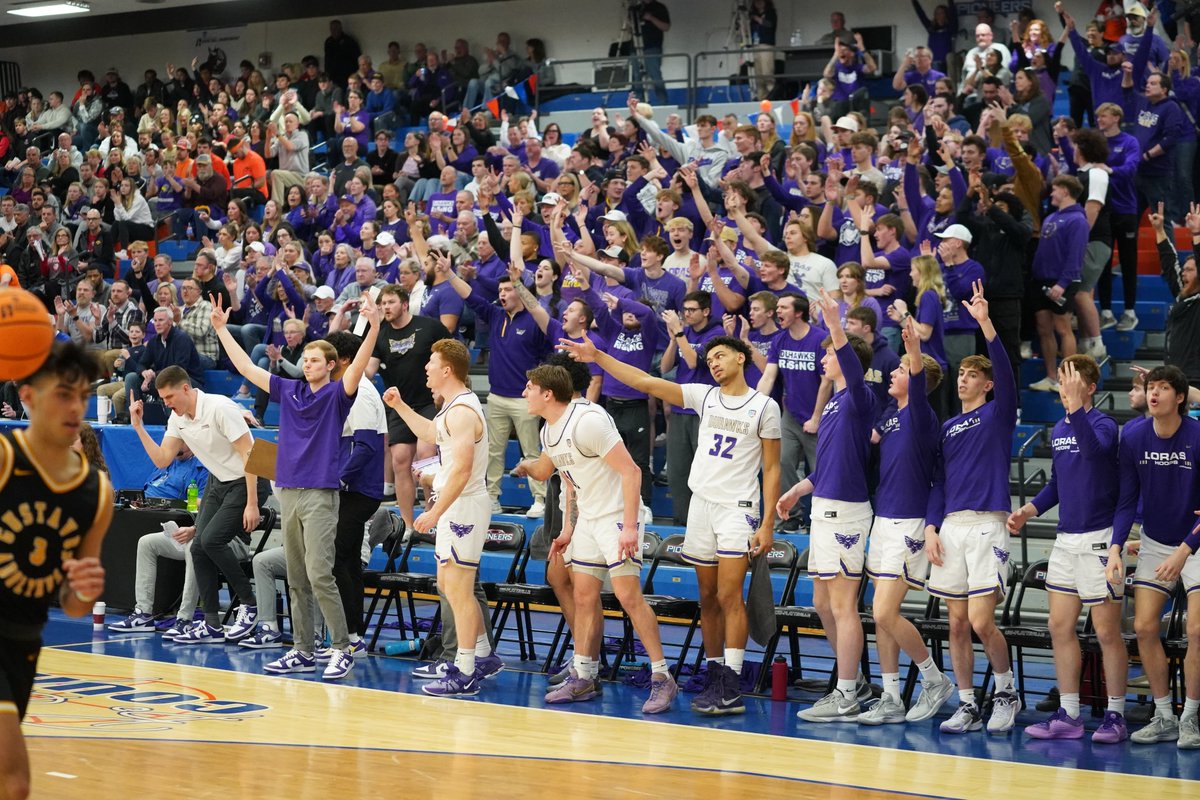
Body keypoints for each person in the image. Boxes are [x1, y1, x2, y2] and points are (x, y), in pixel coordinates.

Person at [561, 333, 781, 717]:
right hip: (702, 505)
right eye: (709, 358)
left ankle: (731, 682)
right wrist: (598, 356)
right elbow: (645, 382)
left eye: (721, 356)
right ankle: (715, 675)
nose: (713, 363)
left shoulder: (764, 406)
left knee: (731, 596)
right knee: (708, 598)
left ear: (742, 359)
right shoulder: (704, 396)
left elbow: (773, 467)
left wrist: (767, 523)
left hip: (737, 507)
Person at [213, 289, 381, 681]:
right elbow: (247, 370)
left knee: (320, 573)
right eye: (304, 360)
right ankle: (302, 650)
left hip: (321, 494)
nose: (307, 365)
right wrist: (223, 330)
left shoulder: (340, 395)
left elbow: (357, 367)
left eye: (315, 360)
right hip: (288, 490)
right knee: (297, 575)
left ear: (331, 365)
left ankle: (341, 648)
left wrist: (374, 326)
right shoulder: (289, 390)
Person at [522, 364, 678, 713]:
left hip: (616, 517)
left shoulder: (588, 420)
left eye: (529, 387)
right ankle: (585, 675)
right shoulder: (549, 430)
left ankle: (662, 678)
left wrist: (629, 527)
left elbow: (632, 471)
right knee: (583, 594)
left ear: (548, 393)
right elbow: (569, 483)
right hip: (588, 519)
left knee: (627, 595)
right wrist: (566, 529)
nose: (524, 393)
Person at [0, 343, 112, 800]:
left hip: (24, 642)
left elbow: (73, 605)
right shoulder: (5, 458)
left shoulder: (95, 492)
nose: (75, 407)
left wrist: (84, 590)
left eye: (82, 396)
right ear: (27, 396)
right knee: (14, 780)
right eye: (63, 394)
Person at [1006, 355, 1130, 743]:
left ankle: (1116, 715)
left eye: (1071, 382)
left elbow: (1094, 453)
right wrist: (1029, 509)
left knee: (1108, 632)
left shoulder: (1105, 423)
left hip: (1100, 537)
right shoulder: (1061, 426)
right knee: (1059, 626)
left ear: (1090, 387)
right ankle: (1070, 714)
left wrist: (1077, 409)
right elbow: (1058, 484)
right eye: (1061, 382)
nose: (1065, 389)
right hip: (1066, 538)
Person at [924, 280, 1020, 735]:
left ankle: (1006, 691)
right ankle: (966, 704)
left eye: (971, 375)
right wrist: (930, 527)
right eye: (959, 373)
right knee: (957, 625)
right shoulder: (947, 426)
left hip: (987, 524)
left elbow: (1004, 368)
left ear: (987, 384)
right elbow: (938, 482)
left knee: (983, 621)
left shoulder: (998, 414)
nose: (963, 379)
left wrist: (985, 324)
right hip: (951, 527)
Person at [382, 339, 501, 697]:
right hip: (455, 504)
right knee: (449, 586)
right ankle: (481, 655)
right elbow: (432, 435)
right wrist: (400, 406)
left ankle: (465, 671)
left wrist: (434, 510)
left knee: (460, 591)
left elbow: (463, 471)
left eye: (431, 364)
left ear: (447, 369)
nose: (426, 370)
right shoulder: (452, 407)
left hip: (463, 504)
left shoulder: (463, 410)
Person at [779, 290, 877, 723]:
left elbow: (850, 366)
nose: (823, 360)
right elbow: (832, 463)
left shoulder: (859, 397)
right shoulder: (836, 403)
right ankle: (851, 681)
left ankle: (846, 692)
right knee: (822, 602)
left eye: (829, 355)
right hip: (824, 505)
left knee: (842, 605)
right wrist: (799, 489)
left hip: (846, 512)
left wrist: (835, 323)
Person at [128, 365, 265, 645]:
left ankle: (250, 605)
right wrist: (138, 427)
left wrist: (252, 503)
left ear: (186, 389)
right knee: (199, 547)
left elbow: (251, 454)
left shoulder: (219, 408)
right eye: (163, 399)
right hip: (219, 480)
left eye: (169, 397)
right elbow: (162, 460)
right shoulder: (177, 419)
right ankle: (212, 625)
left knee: (211, 541)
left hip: (247, 478)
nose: (166, 404)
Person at [1108, 364, 1200, 748]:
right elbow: (1126, 498)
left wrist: (1184, 551)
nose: (1154, 393)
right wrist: (1115, 547)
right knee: (1144, 627)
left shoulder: (1198, 434)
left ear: (1180, 398)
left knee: (1196, 630)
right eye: (1151, 387)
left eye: (1163, 388)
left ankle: (1191, 718)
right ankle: (1164, 715)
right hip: (1156, 541)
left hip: (1194, 543)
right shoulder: (1132, 436)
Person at [367, 284, 452, 530]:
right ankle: (406, 524)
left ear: (404, 304)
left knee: (426, 457)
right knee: (400, 460)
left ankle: (431, 514)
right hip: (400, 405)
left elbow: (454, 355)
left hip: (429, 402)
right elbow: (369, 371)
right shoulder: (381, 333)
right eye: (383, 303)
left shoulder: (429, 326)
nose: (386, 307)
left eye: (391, 302)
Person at [323, 331, 387, 656]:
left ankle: (348, 637)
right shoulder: (349, 389)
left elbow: (364, 446)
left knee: (336, 561)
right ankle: (355, 636)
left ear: (344, 360)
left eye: (329, 357)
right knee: (347, 563)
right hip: (355, 489)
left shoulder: (360, 391)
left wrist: (336, 478)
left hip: (358, 490)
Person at [106, 444, 211, 638]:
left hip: (196, 533)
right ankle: (143, 613)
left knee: (193, 547)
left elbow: (207, 504)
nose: (173, 445)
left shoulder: (203, 468)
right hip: (163, 524)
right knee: (146, 542)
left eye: (179, 441)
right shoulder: (165, 463)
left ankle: (185, 619)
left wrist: (193, 525)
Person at [1154, 203, 1200, 388]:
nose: (1183, 273)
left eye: (1190, 270)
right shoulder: (1184, 295)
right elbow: (1169, 262)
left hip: (1195, 376)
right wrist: (1159, 230)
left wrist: (1196, 234)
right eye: (1185, 269)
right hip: (1176, 375)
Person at [630, 1, 671, 104]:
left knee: (655, 74)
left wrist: (651, 18)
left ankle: (663, 102)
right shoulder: (636, 9)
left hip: (652, 47)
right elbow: (630, 28)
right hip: (636, 46)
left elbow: (666, 27)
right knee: (636, 76)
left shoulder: (659, 7)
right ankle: (639, 104)